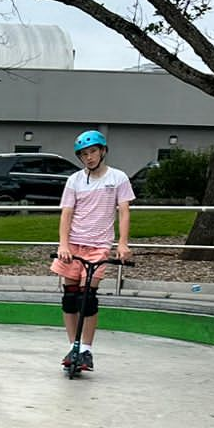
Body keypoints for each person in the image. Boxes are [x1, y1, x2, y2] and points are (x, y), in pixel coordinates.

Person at [52, 129, 136, 371]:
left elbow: (124, 211)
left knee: (87, 298)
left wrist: (122, 243)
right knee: (70, 297)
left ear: (103, 151)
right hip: (74, 244)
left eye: (93, 152)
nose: (89, 158)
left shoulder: (118, 178)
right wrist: (63, 244)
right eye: (84, 154)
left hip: (99, 245)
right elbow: (66, 213)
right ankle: (73, 347)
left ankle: (86, 349)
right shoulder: (75, 180)